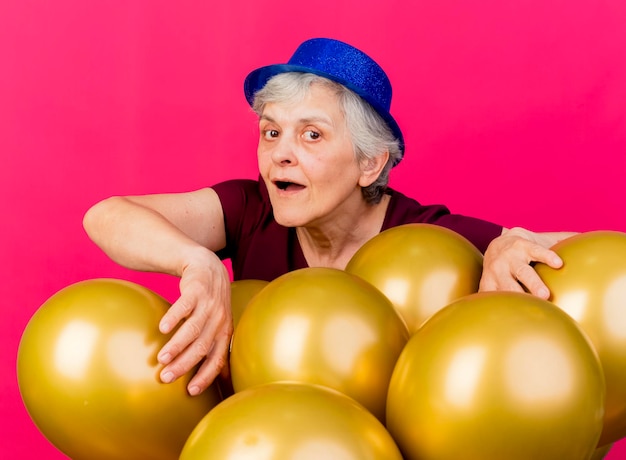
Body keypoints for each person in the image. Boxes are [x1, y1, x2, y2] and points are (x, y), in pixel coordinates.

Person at [83, 37, 576, 396]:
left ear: (370, 163)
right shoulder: (249, 210)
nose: (280, 154)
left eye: (312, 135)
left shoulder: (430, 238)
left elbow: (594, 264)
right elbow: (106, 216)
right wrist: (196, 261)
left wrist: (513, 244)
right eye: (270, 132)